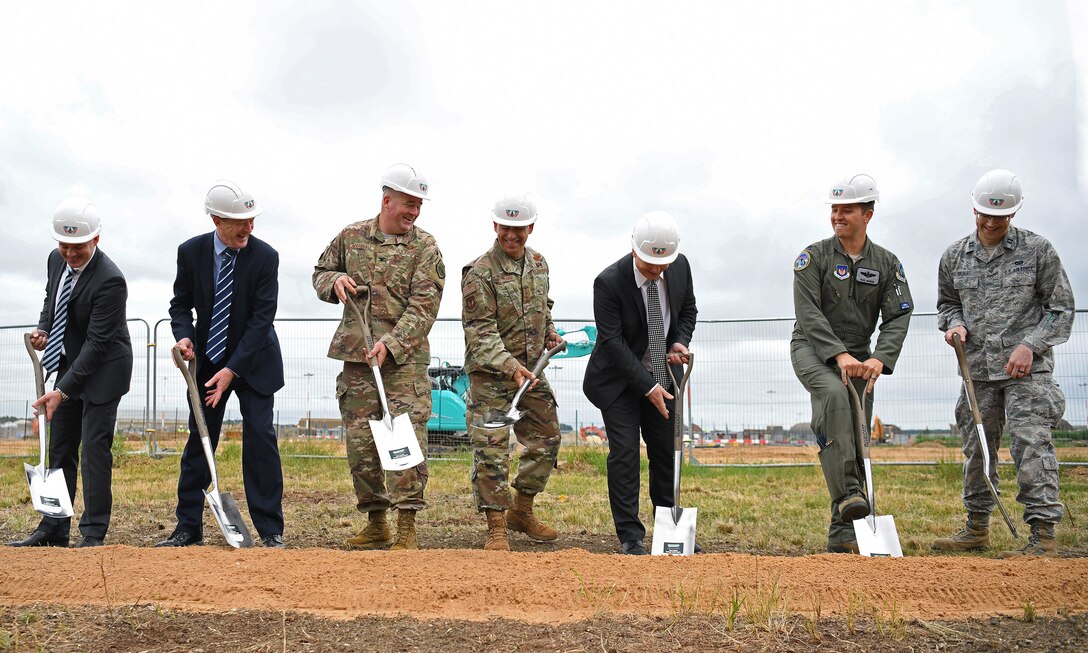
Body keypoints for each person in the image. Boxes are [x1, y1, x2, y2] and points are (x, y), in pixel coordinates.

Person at [932, 169, 1074, 558]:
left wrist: (1031, 345)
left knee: (1031, 445)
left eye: (1001, 216)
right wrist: (955, 323)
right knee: (978, 449)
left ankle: (1043, 533)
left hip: (1026, 372)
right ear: (973, 209)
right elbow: (947, 304)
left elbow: (1060, 309)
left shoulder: (1038, 250)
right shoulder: (954, 256)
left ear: (1014, 213)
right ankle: (976, 527)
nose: (991, 223)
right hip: (976, 370)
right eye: (984, 215)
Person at [313, 163, 444, 551]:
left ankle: (406, 526)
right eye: (408, 204)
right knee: (362, 445)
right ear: (387, 200)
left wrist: (392, 343)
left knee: (405, 440)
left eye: (418, 206)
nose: (414, 213)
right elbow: (321, 270)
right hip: (357, 361)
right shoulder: (350, 237)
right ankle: (376, 523)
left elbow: (424, 306)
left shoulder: (425, 247)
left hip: (403, 363)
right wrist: (333, 280)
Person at [158, 180, 285, 548]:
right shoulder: (191, 252)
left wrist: (233, 371)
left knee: (260, 438)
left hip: (254, 362)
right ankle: (187, 526)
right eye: (239, 221)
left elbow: (262, 320)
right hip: (206, 361)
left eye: (251, 219)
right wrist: (183, 336)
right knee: (200, 438)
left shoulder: (265, 257)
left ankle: (270, 529)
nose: (249, 228)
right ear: (216, 219)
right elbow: (180, 305)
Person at [790, 174, 913, 554]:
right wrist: (838, 355)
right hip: (812, 348)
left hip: (861, 357)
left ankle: (843, 533)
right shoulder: (814, 257)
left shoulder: (887, 263)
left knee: (856, 433)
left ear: (868, 214)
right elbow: (807, 313)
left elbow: (898, 315)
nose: (838, 216)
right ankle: (850, 496)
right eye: (834, 210)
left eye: (846, 210)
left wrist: (879, 357)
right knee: (835, 398)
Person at [9, 199, 133, 548]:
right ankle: (54, 526)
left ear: (96, 240)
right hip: (68, 363)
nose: (70, 253)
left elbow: (96, 346)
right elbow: (53, 298)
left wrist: (60, 391)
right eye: (63, 245)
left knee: (94, 448)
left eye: (78, 247)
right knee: (60, 446)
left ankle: (93, 531)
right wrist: (44, 328)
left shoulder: (111, 281)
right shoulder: (55, 260)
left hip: (104, 368)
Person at [583, 211, 698, 555]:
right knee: (626, 452)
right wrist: (647, 388)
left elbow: (689, 308)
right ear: (634, 251)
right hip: (619, 380)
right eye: (650, 266)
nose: (658, 272)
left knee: (666, 451)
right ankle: (630, 535)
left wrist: (679, 340)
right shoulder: (608, 282)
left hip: (664, 373)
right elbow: (614, 343)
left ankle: (669, 529)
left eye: (663, 265)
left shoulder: (680, 267)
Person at [462, 194, 564, 551]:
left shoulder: (539, 264)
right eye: (505, 227)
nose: (511, 235)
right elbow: (480, 333)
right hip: (492, 377)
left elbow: (543, 306)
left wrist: (550, 331)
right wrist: (510, 366)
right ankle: (496, 527)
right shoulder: (479, 272)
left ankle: (522, 510)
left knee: (548, 436)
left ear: (530, 228)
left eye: (518, 228)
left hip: (531, 372)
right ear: (495, 226)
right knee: (491, 449)